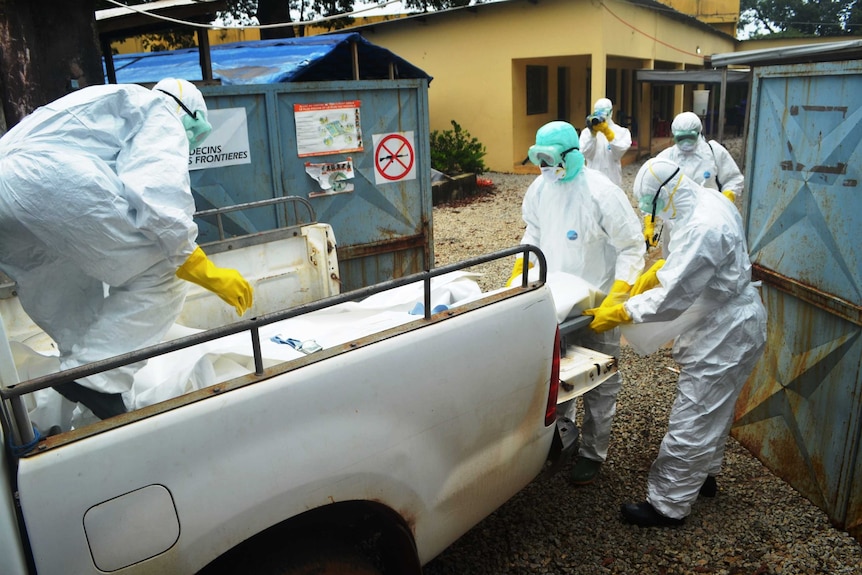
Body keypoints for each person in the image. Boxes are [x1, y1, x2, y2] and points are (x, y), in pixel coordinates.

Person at [0, 79, 254, 430]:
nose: (193, 140)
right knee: (163, 271)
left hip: (7, 194)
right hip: (53, 182)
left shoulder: (108, 101)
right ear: (190, 113)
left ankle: (84, 386)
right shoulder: (161, 109)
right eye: (195, 133)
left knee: (59, 281)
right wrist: (196, 263)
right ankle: (96, 381)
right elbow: (155, 191)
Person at [583, 157, 767, 527]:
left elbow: (672, 298)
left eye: (652, 207)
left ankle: (668, 504)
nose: (654, 215)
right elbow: (691, 264)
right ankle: (704, 478)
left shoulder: (704, 225)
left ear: (665, 195)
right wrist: (659, 270)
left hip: (726, 331)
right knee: (716, 408)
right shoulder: (708, 198)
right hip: (736, 319)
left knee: (694, 415)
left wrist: (624, 312)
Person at [508, 120, 644, 486]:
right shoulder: (540, 188)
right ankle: (559, 441)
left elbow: (632, 246)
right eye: (541, 162)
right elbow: (532, 231)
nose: (548, 170)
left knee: (600, 383)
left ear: (573, 155)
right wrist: (522, 267)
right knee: (559, 376)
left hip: (596, 304)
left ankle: (592, 453)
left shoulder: (603, 193)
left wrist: (618, 295)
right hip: (555, 303)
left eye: (552, 161)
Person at [657, 111, 743, 204]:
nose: (686, 142)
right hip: (677, 214)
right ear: (674, 135)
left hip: (711, 211)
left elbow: (732, 178)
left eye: (690, 137)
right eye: (681, 138)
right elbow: (651, 186)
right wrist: (650, 213)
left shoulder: (714, 151)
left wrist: (728, 195)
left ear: (698, 133)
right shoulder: (666, 157)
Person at [579, 97, 632, 187]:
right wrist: (592, 136)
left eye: (604, 112)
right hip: (593, 179)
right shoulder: (587, 133)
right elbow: (585, 152)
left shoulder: (621, 132)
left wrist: (609, 135)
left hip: (612, 178)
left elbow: (618, 153)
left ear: (611, 112)